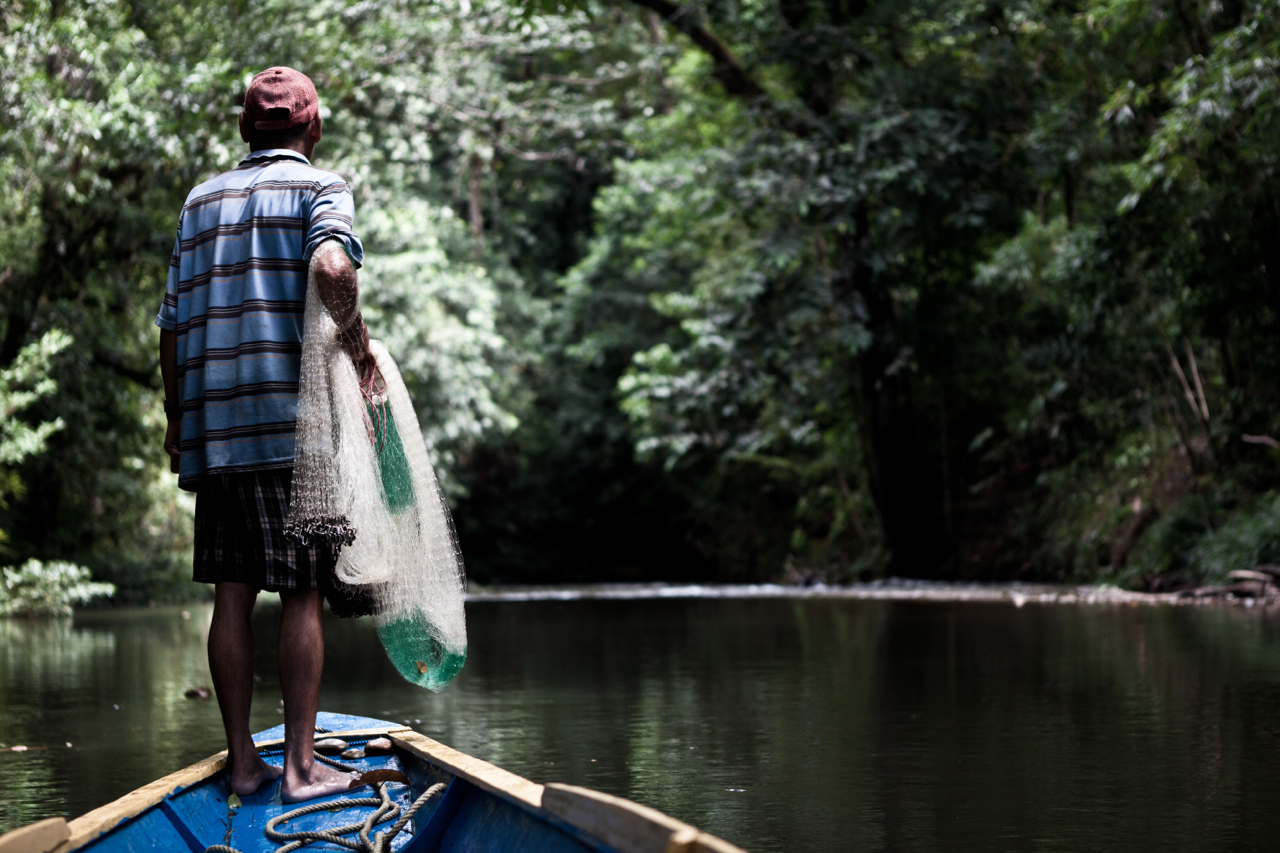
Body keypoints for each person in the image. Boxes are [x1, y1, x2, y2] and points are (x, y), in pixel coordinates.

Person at [156, 67, 374, 803]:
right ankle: (302, 769)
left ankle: (244, 762)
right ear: (314, 128)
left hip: (216, 429)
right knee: (303, 594)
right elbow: (334, 264)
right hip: (294, 432)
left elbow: (172, 324)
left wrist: (178, 419)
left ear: (246, 128)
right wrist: (362, 352)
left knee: (232, 594)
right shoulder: (320, 188)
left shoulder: (199, 200)